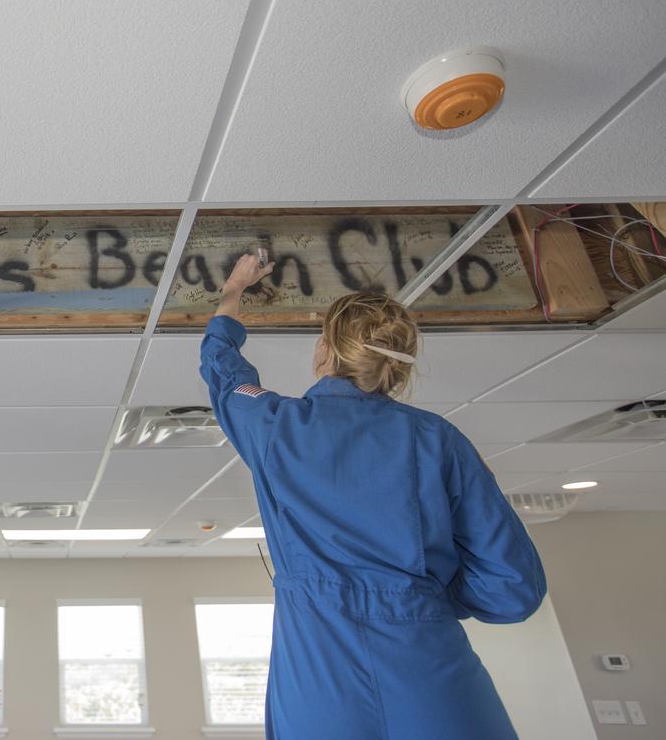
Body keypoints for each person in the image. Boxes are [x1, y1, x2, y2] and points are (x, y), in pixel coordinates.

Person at [199, 254, 546, 740]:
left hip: (317, 676)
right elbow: (512, 591)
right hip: (432, 672)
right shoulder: (438, 439)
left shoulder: (276, 426)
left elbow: (225, 372)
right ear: (393, 366)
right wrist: (424, 595)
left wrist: (234, 290)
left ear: (325, 350)